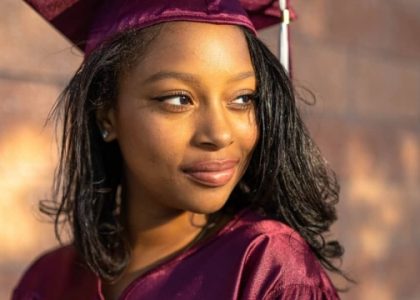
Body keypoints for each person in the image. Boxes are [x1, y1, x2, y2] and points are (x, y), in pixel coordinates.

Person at [13, 0, 349, 299]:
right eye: (178, 99)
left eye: (243, 98)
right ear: (106, 114)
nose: (219, 134)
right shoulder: (46, 281)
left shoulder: (269, 270)